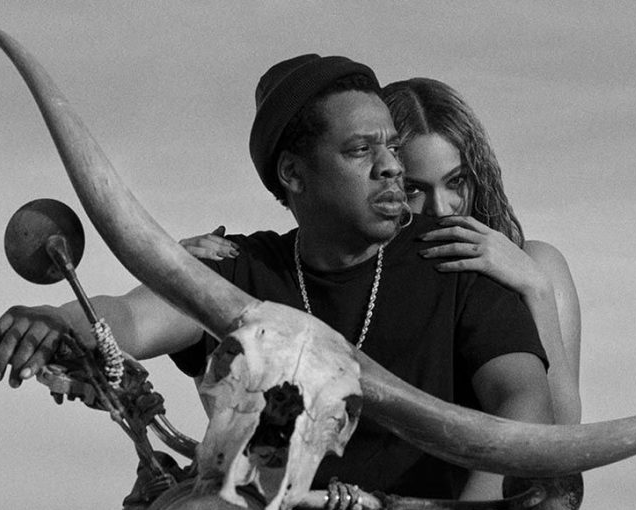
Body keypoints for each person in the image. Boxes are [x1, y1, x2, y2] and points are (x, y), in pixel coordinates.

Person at [0, 54, 554, 503]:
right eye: (361, 150)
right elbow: (130, 317)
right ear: (293, 173)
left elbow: (523, 400)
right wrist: (57, 320)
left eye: (392, 147)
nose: (390, 167)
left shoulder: (454, 263)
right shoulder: (241, 269)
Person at [183, 78, 582, 426]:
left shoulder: (533, 264)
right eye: (415, 188)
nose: (442, 208)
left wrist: (536, 289)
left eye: (456, 181)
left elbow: (560, 436)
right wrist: (180, 273)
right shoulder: (360, 277)